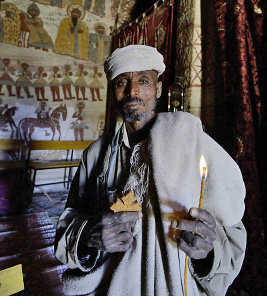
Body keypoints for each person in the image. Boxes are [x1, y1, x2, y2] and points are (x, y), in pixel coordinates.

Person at [55, 45, 246, 296]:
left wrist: (208, 254)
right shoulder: (96, 155)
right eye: (122, 82)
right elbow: (69, 221)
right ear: (113, 92)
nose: (132, 90)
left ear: (158, 89)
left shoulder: (195, 144)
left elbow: (232, 232)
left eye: (143, 80)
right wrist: (89, 236)